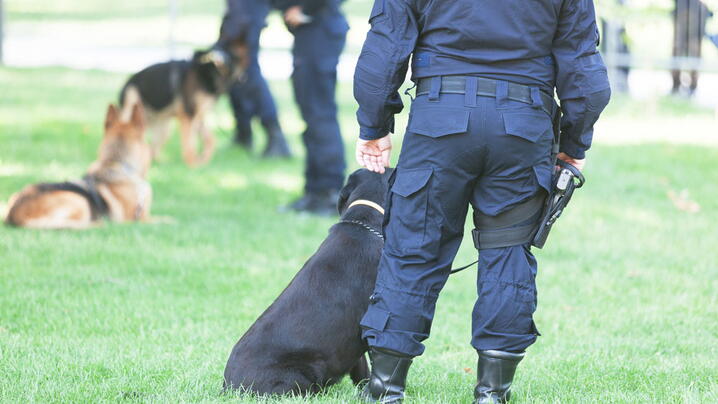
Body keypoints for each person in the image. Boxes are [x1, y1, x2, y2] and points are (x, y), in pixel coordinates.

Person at [354, 0, 610, 403]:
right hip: (522, 127)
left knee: (413, 250)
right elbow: (582, 63)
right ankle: (492, 393)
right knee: (508, 253)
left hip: (440, 121)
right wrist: (575, 141)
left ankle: (385, 389)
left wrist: (374, 125)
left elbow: (385, 46)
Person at [275, 0, 349, 215]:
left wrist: (305, 9)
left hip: (320, 30)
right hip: (310, 33)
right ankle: (314, 191)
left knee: (320, 115)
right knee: (311, 115)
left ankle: (329, 193)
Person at [219, 0, 292, 157]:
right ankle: (243, 133)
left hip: (248, 8)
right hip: (239, 8)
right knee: (231, 68)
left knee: (248, 70)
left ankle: (275, 136)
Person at [672, 0, 713, 95]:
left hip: (695, 30)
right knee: (677, 54)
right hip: (683, 17)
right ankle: (676, 85)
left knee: (694, 56)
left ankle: (692, 87)